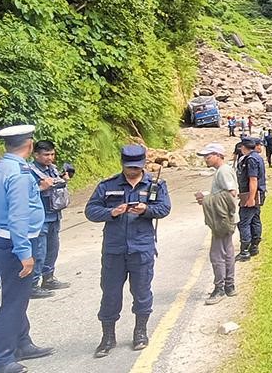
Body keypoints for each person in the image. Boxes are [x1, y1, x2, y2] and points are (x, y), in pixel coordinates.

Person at [85, 144, 172, 358]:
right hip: (114, 249)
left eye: (136, 167)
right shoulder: (108, 185)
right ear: (122, 164)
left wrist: (146, 210)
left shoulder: (155, 184)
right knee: (110, 294)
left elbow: (165, 208)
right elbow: (90, 210)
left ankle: (140, 332)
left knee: (142, 292)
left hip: (141, 248)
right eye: (129, 167)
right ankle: (107, 337)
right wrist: (111, 212)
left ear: (143, 164)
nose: (132, 171)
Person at [0, 124, 55, 373]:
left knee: (18, 297)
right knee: (14, 302)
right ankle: (2, 358)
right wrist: (24, 253)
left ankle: (23, 342)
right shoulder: (19, 173)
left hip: (4, 239)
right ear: (29, 144)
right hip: (18, 241)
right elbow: (18, 216)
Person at [194, 143, 238, 304]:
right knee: (227, 251)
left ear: (218, 155)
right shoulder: (223, 171)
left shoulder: (223, 171)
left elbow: (231, 194)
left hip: (223, 219)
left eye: (209, 156)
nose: (206, 159)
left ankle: (219, 288)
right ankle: (229, 286)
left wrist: (206, 199)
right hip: (226, 218)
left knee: (217, 254)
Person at [29, 140, 71, 297]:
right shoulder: (29, 172)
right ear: (36, 154)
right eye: (46, 154)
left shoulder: (52, 169)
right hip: (40, 216)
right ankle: (33, 284)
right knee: (39, 250)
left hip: (54, 213)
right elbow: (25, 193)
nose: (50, 158)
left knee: (53, 248)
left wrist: (64, 179)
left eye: (52, 154)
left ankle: (49, 278)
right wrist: (41, 187)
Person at [234, 136, 266, 262]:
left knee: (244, 222)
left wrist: (251, 198)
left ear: (243, 147)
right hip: (257, 194)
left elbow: (253, 180)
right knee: (255, 219)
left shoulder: (251, 159)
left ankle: (245, 251)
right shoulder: (257, 157)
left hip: (250, 194)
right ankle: (254, 246)